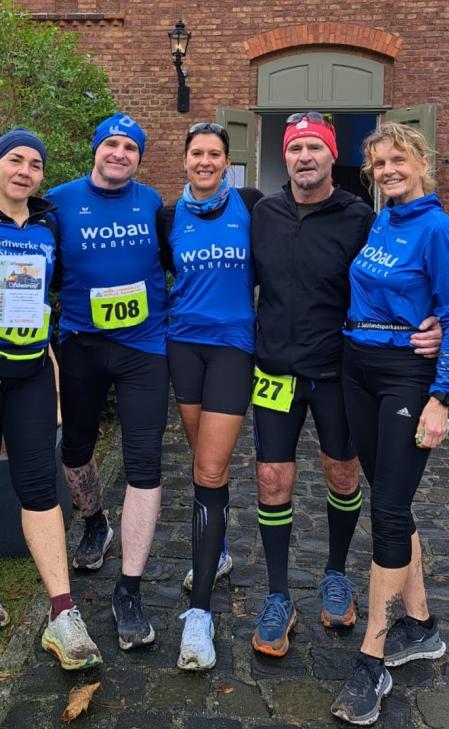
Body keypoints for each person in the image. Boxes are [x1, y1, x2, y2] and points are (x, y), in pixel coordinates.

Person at [249, 113, 442, 659]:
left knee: (341, 472)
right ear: (285, 157)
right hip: (275, 370)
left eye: (315, 147)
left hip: (339, 371)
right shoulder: (262, 213)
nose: (304, 157)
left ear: (333, 157)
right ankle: (278, 594)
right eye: (296, 148)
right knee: (271, 479)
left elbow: (401, 274)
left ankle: (336, 574)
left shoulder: (362, 218)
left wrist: (434, 321)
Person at [331, 122, 449, 725]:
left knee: (388, 511)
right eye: (379, 164)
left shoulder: (437, 228)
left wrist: (443, 396)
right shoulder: (382, 220)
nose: (388, 171)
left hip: (405, 377)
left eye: (397, 160)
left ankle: (373, 657)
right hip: (356, 368)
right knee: (392, 501)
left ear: (420, 162)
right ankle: (421, 626)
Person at [0, 129, 101, 669]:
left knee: (39, 484)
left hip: (31, 370)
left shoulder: (48, 224)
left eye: (35, 164)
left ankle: (63, 613)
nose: (25, 171)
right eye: (15, 159)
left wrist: (56, 370)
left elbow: (58, 294)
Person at [46, 114, 169, 651]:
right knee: (76, 448)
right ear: (95, 149)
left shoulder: (152, 203)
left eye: (130, 147)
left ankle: (129, 590)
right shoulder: (59, 202)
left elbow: (174, 259)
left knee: (145, 461)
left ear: (139, 157)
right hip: (82, 344)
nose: (119, 153)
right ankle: (95, 521)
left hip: (145, 348)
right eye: (111, 144)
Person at [156, 122, 262, 670]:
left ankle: (199, 614)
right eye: (196, 153)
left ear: (227, 162)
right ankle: (215, 550)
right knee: (202, 462)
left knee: (212, 467)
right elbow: (157, 272)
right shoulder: (169, 217)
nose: (204, 161)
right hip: (184, 346)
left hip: (233, 347)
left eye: (214, 154)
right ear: (185, 160)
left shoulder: (251, 205)